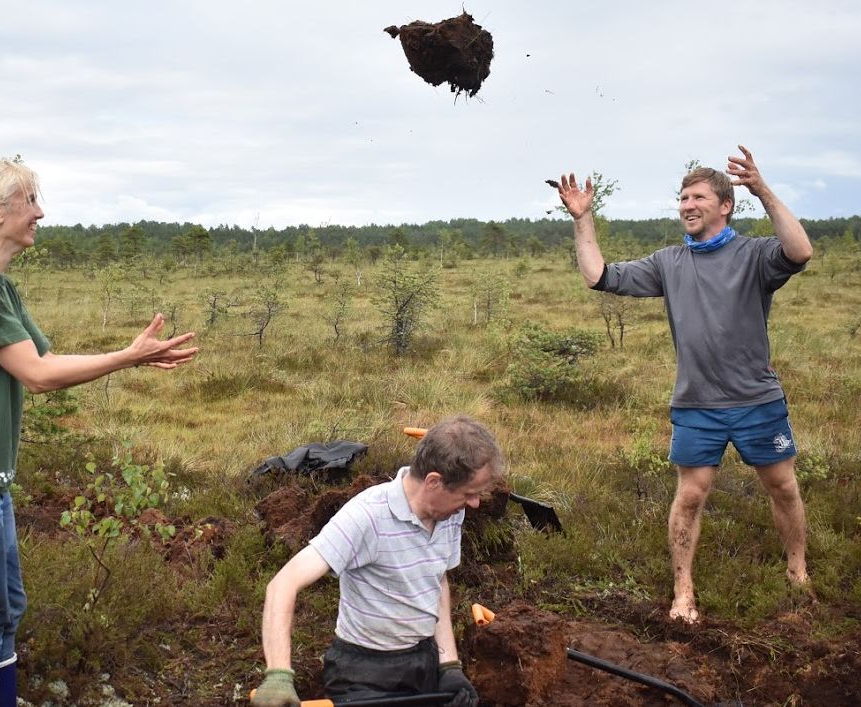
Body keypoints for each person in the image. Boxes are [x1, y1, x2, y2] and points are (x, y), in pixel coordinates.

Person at [0, 158, 199, 705]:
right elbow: (38, 377)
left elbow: (46, 358)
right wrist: (126, 357)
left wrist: (129, 357)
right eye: (29, 200)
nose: (40, 211)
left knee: (4, 612)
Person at [555, 145, 813, 624]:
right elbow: (598, 276)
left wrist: (762, 189)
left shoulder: (755, 254)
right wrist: (583, 218)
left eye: (697, 197)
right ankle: (683, 592)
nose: (686, 205)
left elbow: (800, 251)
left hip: (758, 398)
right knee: (690, 495)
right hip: (697, 403)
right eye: (682, 198)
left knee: (782, 486)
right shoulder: (668, 263)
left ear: (725, 205)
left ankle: (797, 571)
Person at [252, 415, 500, 707]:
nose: (475, 504)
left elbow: (436, 580)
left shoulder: (450, 513)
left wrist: (449, 666)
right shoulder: (366, 516)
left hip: (422, 660)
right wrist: (278, 675)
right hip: (363, 673)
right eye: (469, 494)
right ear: (434, 481)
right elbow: (283, 584)